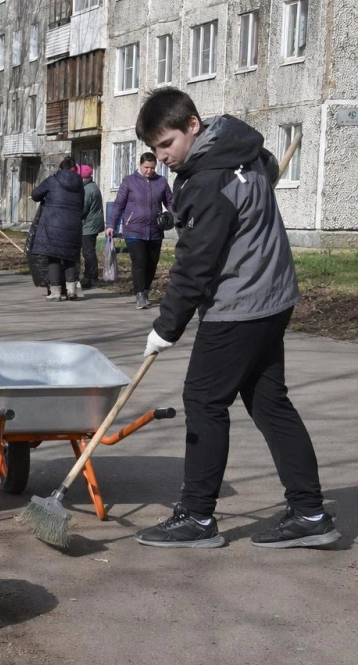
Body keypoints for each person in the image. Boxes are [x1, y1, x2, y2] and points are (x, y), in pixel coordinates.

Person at [134, 87, 338, 549]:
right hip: (274, 297)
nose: (162, 156)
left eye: (167, 144)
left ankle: (197, 517)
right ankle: (309, 512)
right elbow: (264, 170)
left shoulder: (208, 183)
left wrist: (165, 328)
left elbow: (195, 266)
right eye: (154, 150)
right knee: (270, 403)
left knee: (204, 401)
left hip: (240, 305)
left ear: (192, 125)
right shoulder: (242, 150)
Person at [109, 151, 173, 309]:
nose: (149, 171)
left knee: (152, 263)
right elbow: (119, 205)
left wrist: (174, 217)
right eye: (146, 167)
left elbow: (171, 202)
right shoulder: (129, 181)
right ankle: (139, 294)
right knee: (140, 261)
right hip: (134, 230)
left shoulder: (161, 182)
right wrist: (111, 224)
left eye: (152, 168)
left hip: (155, 230)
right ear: (140, 165)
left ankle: (145, 291)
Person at [29, 158, 85, 301]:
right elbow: (81, 205)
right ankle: (72, 291)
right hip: (73, 225)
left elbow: (35, 195)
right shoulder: (80, 184)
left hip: (52, 224)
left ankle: (55, 293)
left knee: (53, 257)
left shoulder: (52, 180)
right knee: (70, 257)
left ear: (60, 168)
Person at [79, 164, 105, 287]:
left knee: (88, 251)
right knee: (89, 250)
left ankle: (91, 276)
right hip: (93, 223)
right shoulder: (92, 186)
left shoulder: (87, 190)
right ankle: (90, 275)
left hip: (89, 225)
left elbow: (83, 209)